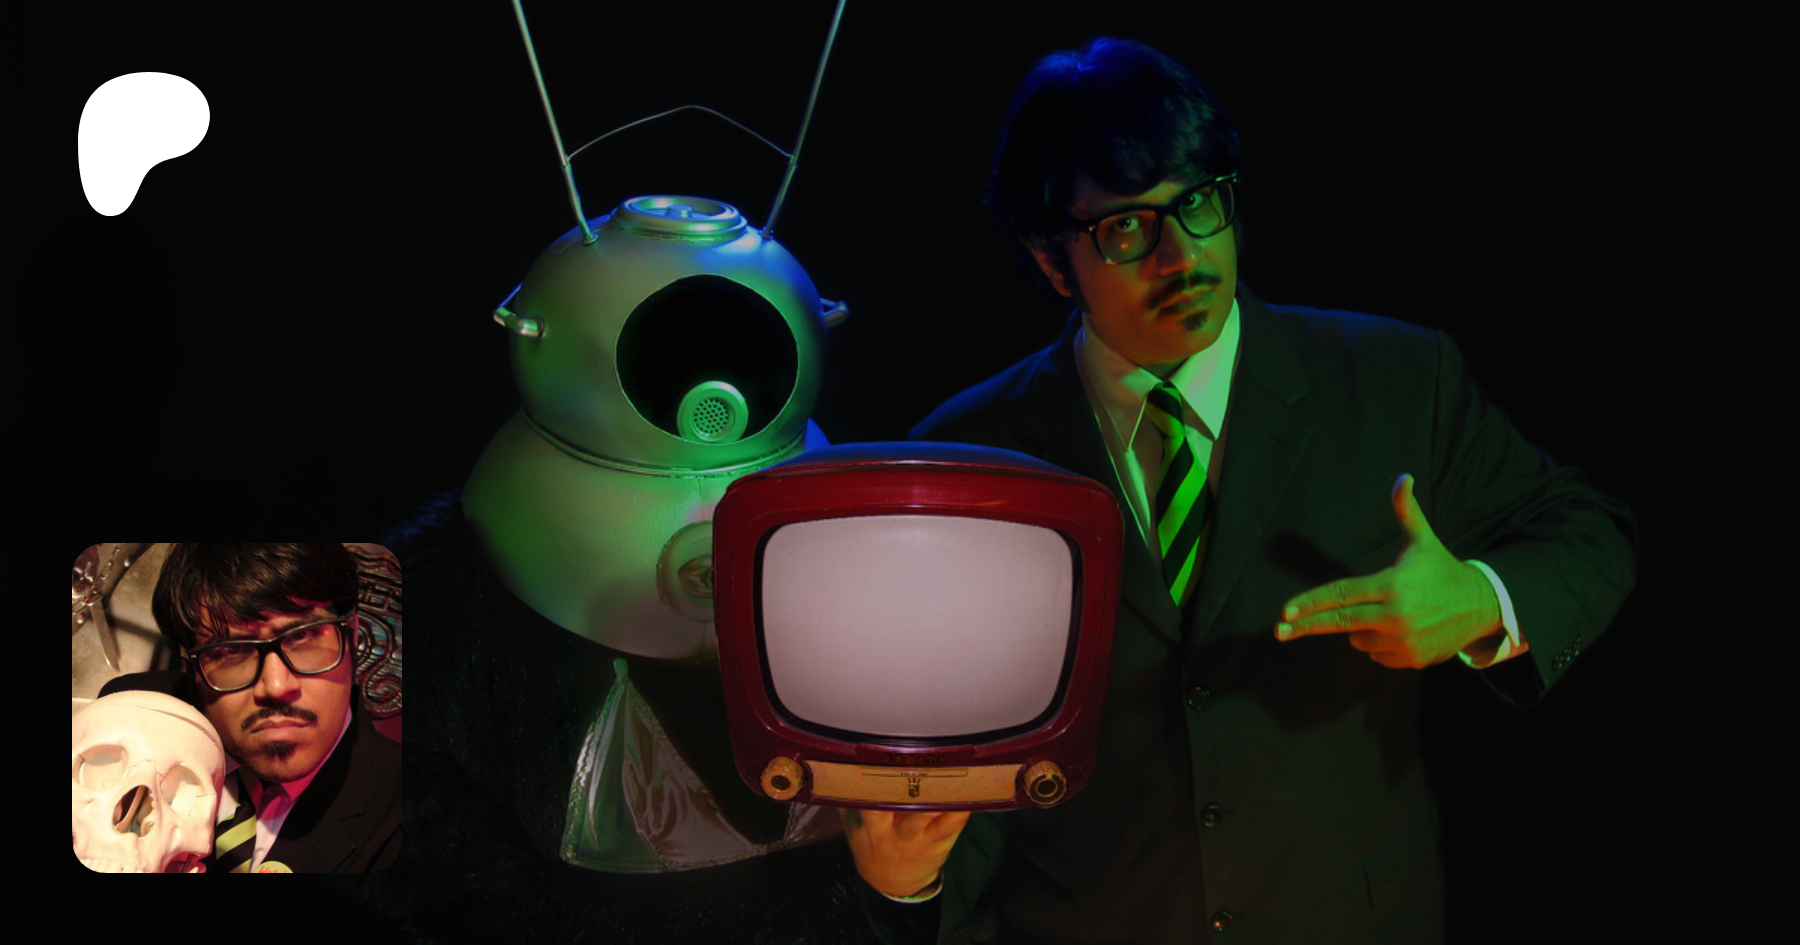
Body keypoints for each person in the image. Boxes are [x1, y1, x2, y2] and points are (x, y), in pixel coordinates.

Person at [841, 38, 1636, 943]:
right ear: (1054, 262)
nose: (1182, 257)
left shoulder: (1396, 379)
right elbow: (948, 763)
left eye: (1199, 203)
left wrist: (1484, 600)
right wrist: (905, 886)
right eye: (1127, 229)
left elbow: (1590, 529)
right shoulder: (961, 461)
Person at [100, 543, 402, 873]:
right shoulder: (129, 714)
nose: (276, 686)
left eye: (303, 636)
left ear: (352, 634)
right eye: (231, 650)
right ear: (190, 666)